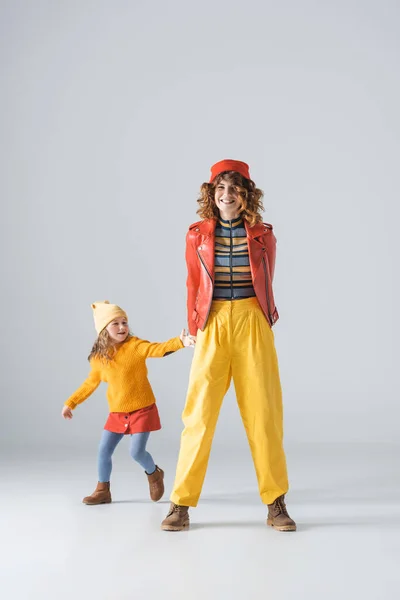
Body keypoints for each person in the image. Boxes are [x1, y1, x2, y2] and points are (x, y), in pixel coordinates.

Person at [161, 159, 296, 532]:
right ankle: (180, 504)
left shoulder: (263, 234)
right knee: (198, 415)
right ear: (211, 194)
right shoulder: (197, 235)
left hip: (252, 320)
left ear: (246, 194)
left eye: (234, 189)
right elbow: (192, 283)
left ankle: (275, 502)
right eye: (220, 189)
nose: (227, 195)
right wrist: (193, 326)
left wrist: (264, 318)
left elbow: (266, 280)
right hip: (213, 321)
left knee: (264, 414)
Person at [62, 300, 194, 505]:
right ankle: (102, 490)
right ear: (104, 329)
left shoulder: (135, 346)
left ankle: (154, 473)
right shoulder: (99, 358)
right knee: (103, 451)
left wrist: (180, 342)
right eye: (116, 323)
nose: (122, 327)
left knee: (136, 452)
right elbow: (90, 383)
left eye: (124, 322)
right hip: (117, 412)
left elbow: (156, 349)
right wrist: (71, 403)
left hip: (142, 409)